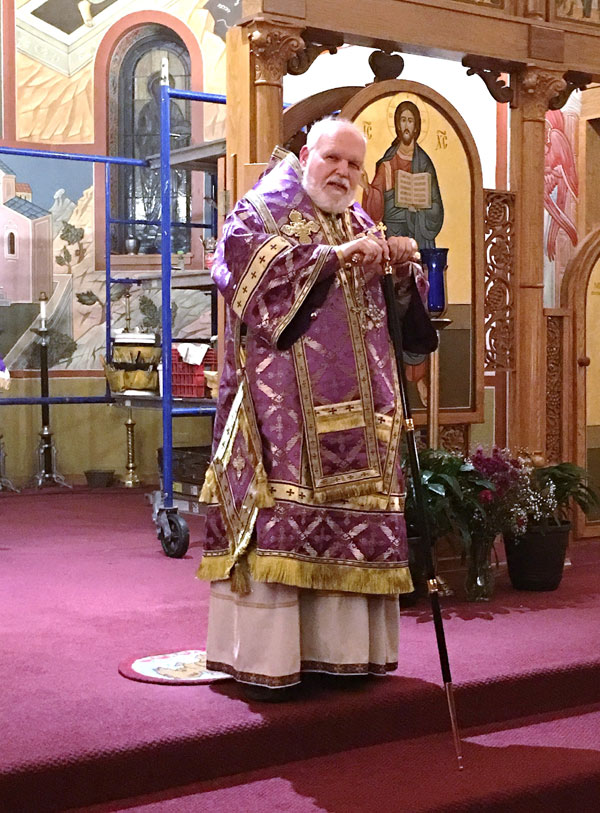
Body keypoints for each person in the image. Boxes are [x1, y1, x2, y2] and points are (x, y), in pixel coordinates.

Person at [197, 117, 425, 700]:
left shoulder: (362, 220)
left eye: (355, 164)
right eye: (333, 159)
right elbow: (248, 276)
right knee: (285, 520)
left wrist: (401, 271)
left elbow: (400, 322)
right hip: (285, 415)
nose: (343, 173)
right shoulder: (259, 211)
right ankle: (274, 658)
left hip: (362, 413)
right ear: (306, 155)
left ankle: (344, 654)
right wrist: (330, 258)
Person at [363, 100, 444, 250]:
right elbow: (376, 203)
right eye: (403, 120)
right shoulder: (387, 162)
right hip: (393, 235)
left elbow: (437, 206)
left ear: (416, 127)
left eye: (410, 121)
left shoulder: (425, 163)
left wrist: (419, 209)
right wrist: (367, 189)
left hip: (418, 234)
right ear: (398, 125)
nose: (406, 126)